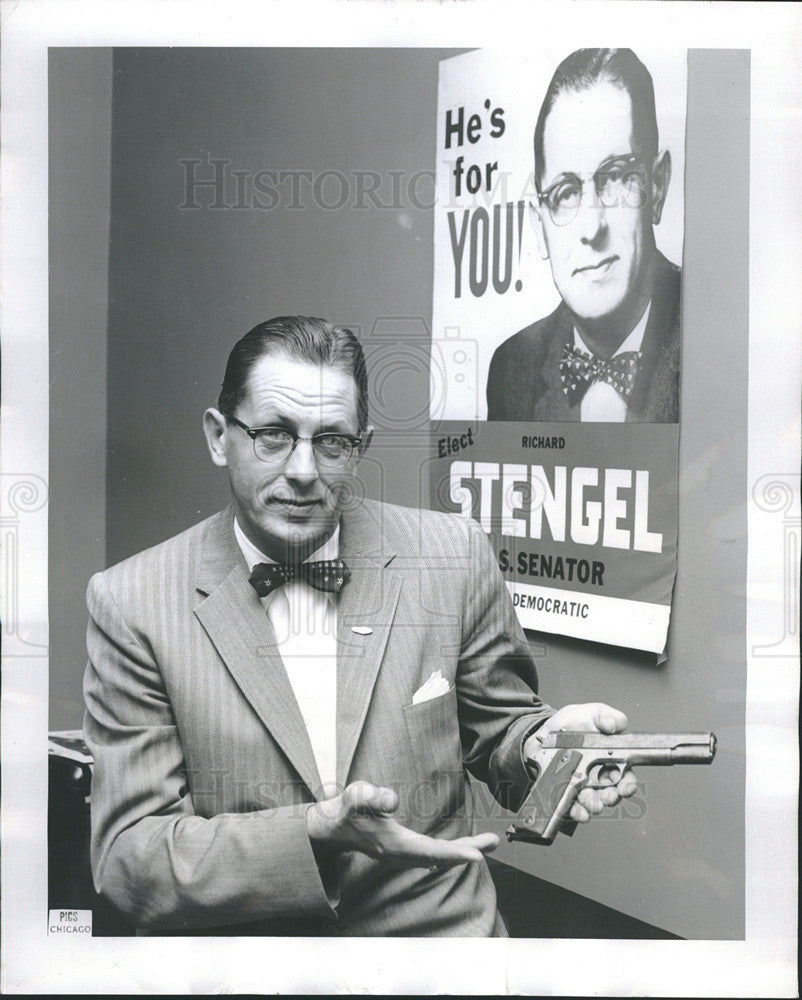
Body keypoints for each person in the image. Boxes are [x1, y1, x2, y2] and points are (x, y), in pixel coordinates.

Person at [84, 315, 636, 936]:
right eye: (272, 434)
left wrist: (543, 746)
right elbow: (130, 858)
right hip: (249, 970)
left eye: (331, 442)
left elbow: (501, 732)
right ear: (219, 437)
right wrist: (313, 834)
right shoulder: (132, 602)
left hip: (439, 954)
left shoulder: (452, 555)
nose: (302, 469)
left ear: (361, 447)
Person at [486, 48, 680, 423]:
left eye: (617, 177)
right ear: (539, 226)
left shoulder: (714, 341)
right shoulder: (512, 369)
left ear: (657, 187)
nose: (592, 229)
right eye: (566, 193)